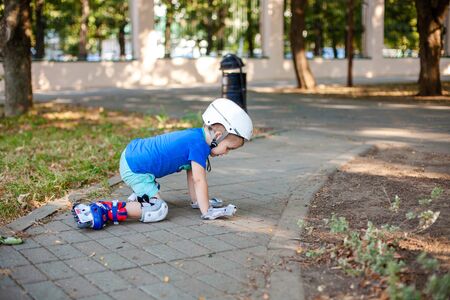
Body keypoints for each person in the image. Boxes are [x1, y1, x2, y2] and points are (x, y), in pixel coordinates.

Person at [72, 98, 253, 230]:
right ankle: (104, 210)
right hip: (136, 168)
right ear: (219, 136)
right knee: (158, 209)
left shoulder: (196, 137)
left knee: (157, 199)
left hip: (133, 154)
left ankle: (142, 195)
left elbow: (191, 174)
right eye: (228, 148)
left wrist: (199, 201)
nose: (226, 153)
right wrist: (207, 211)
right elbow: (199, 180)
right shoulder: (198, 146)